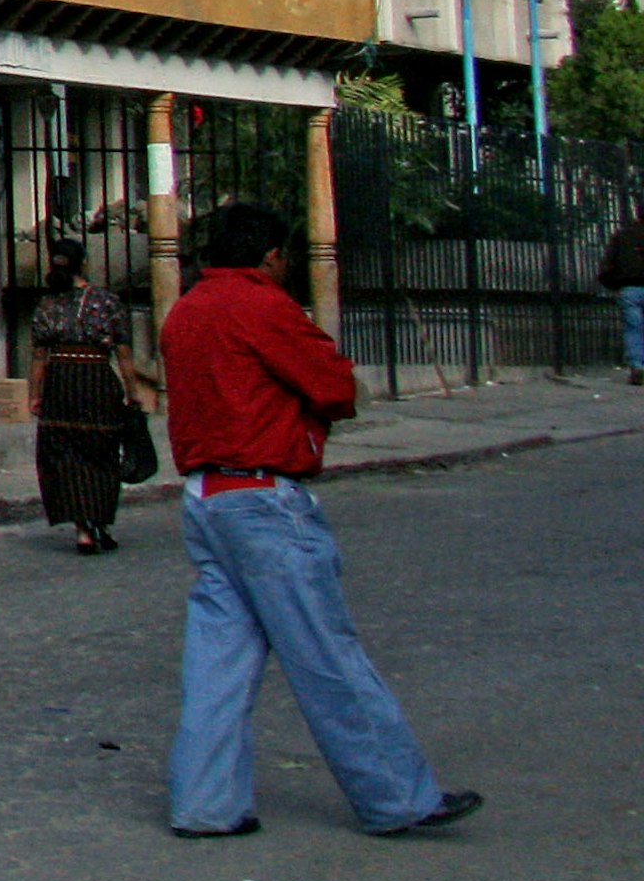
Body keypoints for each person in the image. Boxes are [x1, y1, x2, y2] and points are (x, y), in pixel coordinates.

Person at [160, 200, 478, 840]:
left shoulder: (185, 311)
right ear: (270, 255)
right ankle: (396, 798)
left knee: (218, 663)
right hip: (264, 496)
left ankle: (205, 803)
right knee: (327, 657)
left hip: (206, 497)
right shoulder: (261, 305)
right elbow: (335, 389)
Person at [27, 237, 154, 555]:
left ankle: (84, 530)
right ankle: (99, 521)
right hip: (97, 381)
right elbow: (123, 354)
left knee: (66, 455)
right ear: (84, 263)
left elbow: (39, 357)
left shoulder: (48, 305)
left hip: (61, 384)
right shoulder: (107, 302)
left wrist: (35, 395)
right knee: (102, 453)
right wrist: (132, 392)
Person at [600, 204, 644, 387]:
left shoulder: (622, 235)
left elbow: (607, 265)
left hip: (628, 288)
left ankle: (638, 366)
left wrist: (613, 285)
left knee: (633, 328)